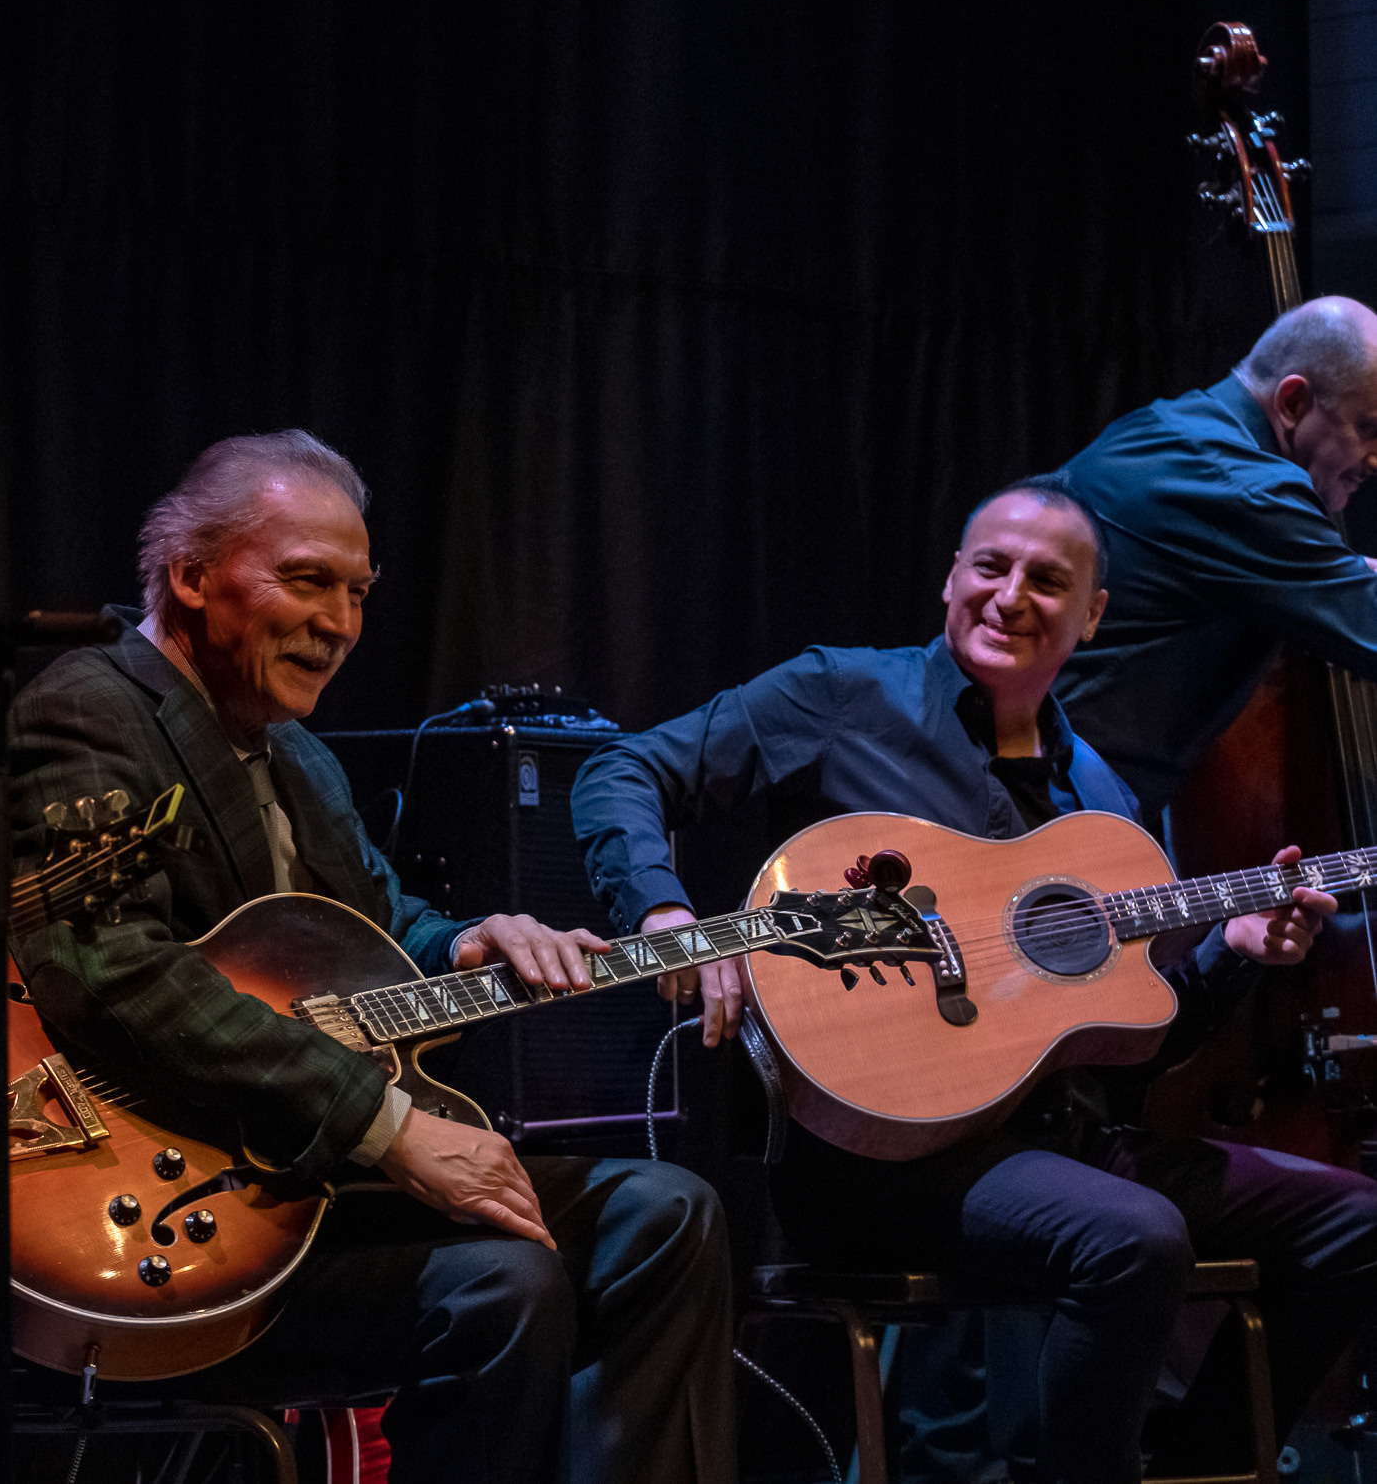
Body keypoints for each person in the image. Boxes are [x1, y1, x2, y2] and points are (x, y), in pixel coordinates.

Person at [570, 476, 1377, 1483]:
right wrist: (669, 917)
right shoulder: (843, 696)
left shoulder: (1103, 799)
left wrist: (1236, 948)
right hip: (874, 1158)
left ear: (1092, 618)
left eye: (1048, 579)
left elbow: (1133, 1045)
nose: (1009, 595)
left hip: (1064, 1146)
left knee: (1353, 1218)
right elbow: (622, 770)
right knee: (1130, 1237)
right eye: (989, 565)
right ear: (950, 577)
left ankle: (1189, 1464)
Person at [6, 430, 737, 1484]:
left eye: (357, 592)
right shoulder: (89, 707)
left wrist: (471, 939)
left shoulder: (298, 752)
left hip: (306, 1173)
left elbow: (376, 925)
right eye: (308, 582)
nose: (341, 624)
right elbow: (111, 972)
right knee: (502, 1286)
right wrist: (387, 1124)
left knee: (665, 1213)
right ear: (191, 573)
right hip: (177, 1206)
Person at [1056, 295, 1377, 818]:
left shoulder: (1172, 429)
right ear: (1293, 402)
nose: (1376, 458)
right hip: (1052, 809)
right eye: (1368, 428)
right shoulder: (1248, 491)